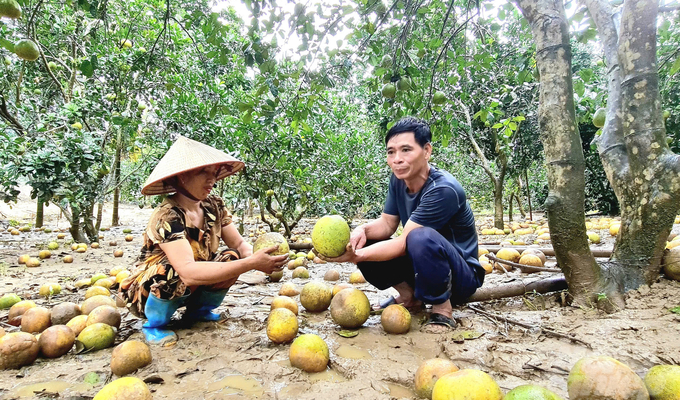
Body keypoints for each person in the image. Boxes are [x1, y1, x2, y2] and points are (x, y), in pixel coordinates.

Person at [120, 136, 288, 345]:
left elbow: (238, 244)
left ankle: (198, 312)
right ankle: (154, 324)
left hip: (191, 284)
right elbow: (188, 273)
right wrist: (251, 264)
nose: (212, 180)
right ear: (181, 177)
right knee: (169, 270)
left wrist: (257, 258)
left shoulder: (213, 206)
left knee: (231, 257)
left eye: (213, 173)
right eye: (203, 173)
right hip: (149, 291)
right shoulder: (167, 216)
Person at [325, 117, 485, 331]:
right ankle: (410, 297)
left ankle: (442, 309)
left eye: (406, 150)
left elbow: (403, 243)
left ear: (426, 151)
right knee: (367, 240)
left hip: (460, 277)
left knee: (419, 237)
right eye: (391, 152)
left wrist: (357, 256)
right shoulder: (398, 179)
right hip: (422, 269)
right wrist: (361, 232)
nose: (397, 159)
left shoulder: (443, 189)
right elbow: (386, 224)